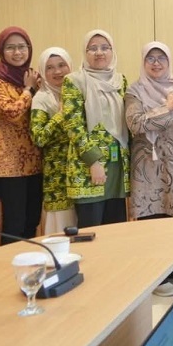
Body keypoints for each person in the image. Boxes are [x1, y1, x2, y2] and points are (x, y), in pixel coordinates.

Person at [127, 42, 173, 297]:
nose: (156, 63)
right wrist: (168, 107)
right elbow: (135, 124)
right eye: (150, 58)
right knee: (153, 220)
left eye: (161, 58)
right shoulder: (134, 91)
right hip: (149, 166)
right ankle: (156, 275)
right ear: (143, 62)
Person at [0, 27, 44, 242]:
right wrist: (28, 90)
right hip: (8, 162)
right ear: (1, 50)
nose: (17, 52)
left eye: (22, 47)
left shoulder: (34, 76)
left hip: (35, 160)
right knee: (14, 224)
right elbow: (11, 113)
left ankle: (31, 262)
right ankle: (10, 263)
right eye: (10, 47)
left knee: (32, 222)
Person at [62, 30, 129, 228]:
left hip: (117, 165)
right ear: (85, 52)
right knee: (91, 232)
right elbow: (73, 125)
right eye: (93, 48)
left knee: (116, 231)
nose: (99, 52)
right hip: (88, 168)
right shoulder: (74, 81)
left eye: (105, 47)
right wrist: (93, 161)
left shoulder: (120, 81)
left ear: (112, 51)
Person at [31, 47, 77, 235]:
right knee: (62, 234)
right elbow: (39, 137)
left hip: (81, 175)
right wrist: (61, 114)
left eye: (61, 65)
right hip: (58, 179)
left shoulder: (78, 92)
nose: (57, 71)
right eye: (49, 68)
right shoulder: (41, 98)